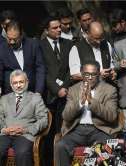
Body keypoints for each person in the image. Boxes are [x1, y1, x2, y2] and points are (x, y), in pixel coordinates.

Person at [54, 60, 121, 166]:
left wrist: (92, 102)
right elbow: (66, 116)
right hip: (77, 130)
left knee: (107, 149)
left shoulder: (109, 90)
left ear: (99, 74)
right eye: (86, 74)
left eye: (93, 74)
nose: (90, 77)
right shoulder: (73, 90)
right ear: (81, 74)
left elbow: (112, 116)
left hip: (100, 130)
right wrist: (80, 103)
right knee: (60, 146)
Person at [40, 15, 74, 166]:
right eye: (54, 28)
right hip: (49, 96)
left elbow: (71, 69)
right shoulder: (39, 45)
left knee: (64, 130)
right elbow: (42, 71)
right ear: (46, 30)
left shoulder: (68, 43)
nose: (59, 29)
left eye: (59, 26)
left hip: (66, 94)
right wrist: (56, 89)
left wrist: (64, 87)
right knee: (48, 133)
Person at [0, 69, 48, 166]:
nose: (18, 85)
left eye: (21, 82)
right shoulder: (4, 99)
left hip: (25, 135)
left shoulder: (35, 98)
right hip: (5, 134)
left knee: (22, 152)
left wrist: (25, 129)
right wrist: (4, 129)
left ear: (27, 82)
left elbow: (43, 120)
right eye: (15, 83)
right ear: (11, 84)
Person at [0, 20, 45, 95]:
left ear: (21, 35)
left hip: (32, 92)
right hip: (11, 94)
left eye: (15, 39)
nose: (12, 42)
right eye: (9, 38)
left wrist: (38, 91)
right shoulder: (2, 49)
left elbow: (40, 68)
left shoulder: (33, 45)